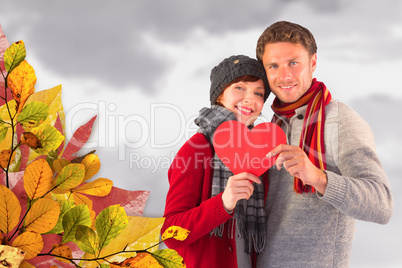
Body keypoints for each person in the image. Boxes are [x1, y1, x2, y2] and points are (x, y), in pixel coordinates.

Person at [255, 21, 393, 268]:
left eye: (293, 63)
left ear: (313, 62)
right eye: (273, 66)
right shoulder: (269, 126)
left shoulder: (340, 120)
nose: (284, 75)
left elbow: (381, 204)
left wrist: (318, 177)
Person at [162, 55, 271, 268]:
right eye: (239, 88)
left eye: (258, 93)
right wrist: (223, 202)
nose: (250, 99)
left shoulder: (261, 155)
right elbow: (171, 233)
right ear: (220, 95)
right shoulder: (197, 149)